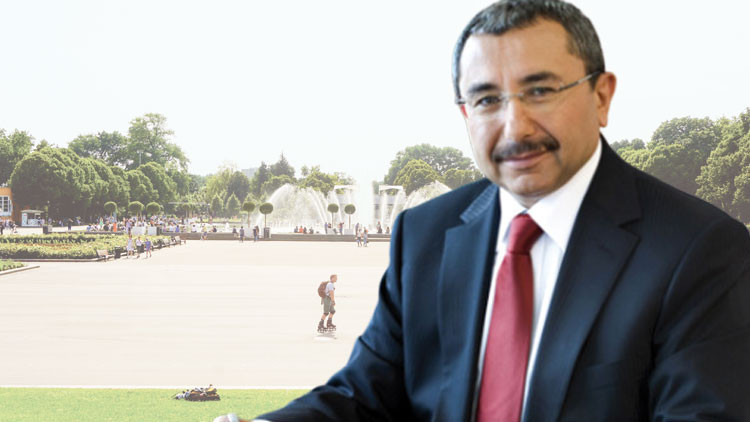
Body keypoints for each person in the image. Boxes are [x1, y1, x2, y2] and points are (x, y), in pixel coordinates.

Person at [209, 2, 750, 422]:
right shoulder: (425, 234)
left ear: (602, 97)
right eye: (488, 100)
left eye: (541, 90)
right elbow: (365, 396)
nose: (515, 126)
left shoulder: (699, 252)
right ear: (465, 115)